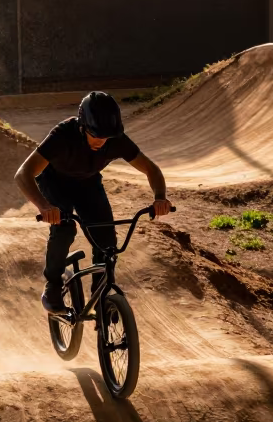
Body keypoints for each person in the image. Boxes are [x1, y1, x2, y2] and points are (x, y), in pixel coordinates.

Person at [14, 91, 172, 313]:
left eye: (106, 136)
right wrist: (44, 206)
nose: (101, 141)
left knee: (107, 240)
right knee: (64, 229)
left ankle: (101, 294)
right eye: (95, 135)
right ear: (82, 127)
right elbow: (23, 174)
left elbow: (151, 169)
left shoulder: (115, 140)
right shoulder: (62, 135)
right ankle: (53, 284)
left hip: (88, 184)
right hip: (55, 182)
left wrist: (160, 197)